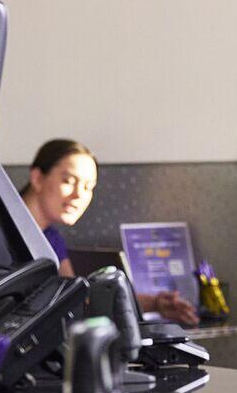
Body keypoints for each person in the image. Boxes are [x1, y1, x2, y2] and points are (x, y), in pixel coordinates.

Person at [21, 138, 196, 324]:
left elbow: (78, 300)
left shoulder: (51, 239)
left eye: (88, 187)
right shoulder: (3, 234)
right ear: (37, 178)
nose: (79, 195)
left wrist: (154, 303)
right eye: (69, 181)